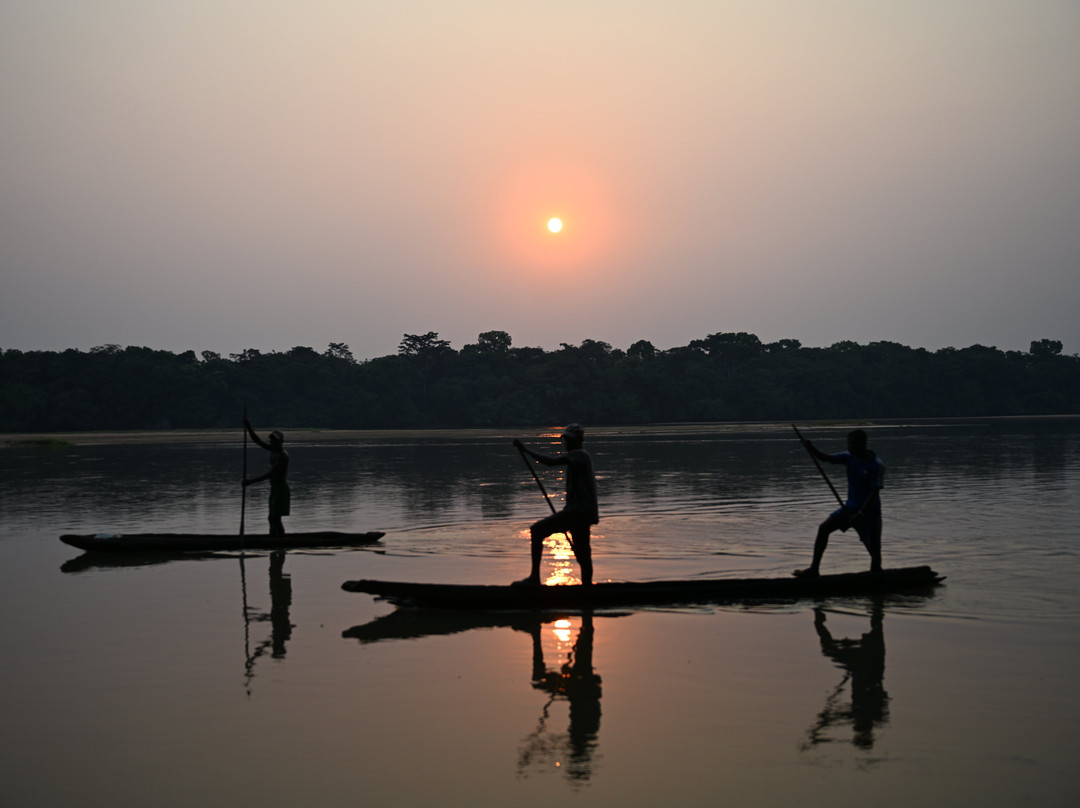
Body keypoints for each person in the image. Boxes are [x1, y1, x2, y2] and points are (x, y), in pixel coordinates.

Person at [513, 423, 599, 586]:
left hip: (578, 512)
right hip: (582, 512)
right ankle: (587, 588)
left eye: (570, 440)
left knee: (537, 531)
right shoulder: (579, 457)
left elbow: (550, 462)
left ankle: (534, 578)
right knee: (582, 554)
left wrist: (525, 450)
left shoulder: (579, 454)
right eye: (566, 440)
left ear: (579, 440)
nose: (567, 443)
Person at [796, 429, 884, 577]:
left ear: (861, 444)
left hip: (870, 513)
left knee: (874, 551)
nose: (848, 447)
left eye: (851, 444)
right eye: (848, 444)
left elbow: (874, 493)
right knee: (824, 528)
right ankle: (814, 569)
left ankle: (876, 580)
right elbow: (826, 458)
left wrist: (861, 514)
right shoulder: (848, 457)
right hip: (850, 508)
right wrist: (811, 448)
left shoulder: (876, 465)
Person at [242, 418, 290, 536]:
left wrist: (250, 481)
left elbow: (271, 473)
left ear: (281, 441)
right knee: (272, 518)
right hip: (274, 488)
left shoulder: (283, 455)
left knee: (275, 518)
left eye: (276, 440)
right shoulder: (273, 449)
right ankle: (274, 538)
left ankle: (279, 541)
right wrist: (248, 426)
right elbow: (258, 441)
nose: (273, 442)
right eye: (272, 440)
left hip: (280, 488)